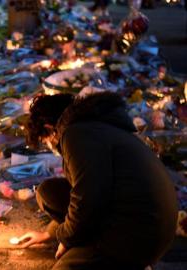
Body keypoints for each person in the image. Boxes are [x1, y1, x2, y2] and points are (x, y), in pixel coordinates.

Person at [19, 92, 178, 269]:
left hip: (138, 233)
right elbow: (81, 193)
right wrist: (50, 234)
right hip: (146, 223)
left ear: (50, 129)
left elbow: (88, 199)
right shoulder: (95, 127)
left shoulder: (76, 134)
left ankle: (124, 261)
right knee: (48, 192)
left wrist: (66, 239)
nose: (51, 147)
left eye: (46, 141)